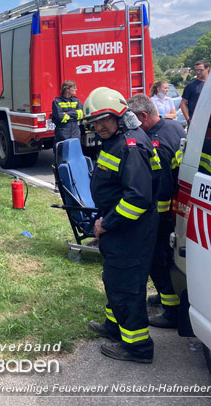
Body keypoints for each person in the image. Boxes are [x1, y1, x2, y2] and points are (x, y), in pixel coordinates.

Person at [84, 87, 159, 364]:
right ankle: (114, 328)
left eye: (105, 119)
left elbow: (138, 198)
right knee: (115, 281)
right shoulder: (118, 139)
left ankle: (137, 347)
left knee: (127, 288)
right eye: (95, 121)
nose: (99, 126)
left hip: (129, 230)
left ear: (119, 115)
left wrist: (108, 223)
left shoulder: (130, 146)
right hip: (120, 229)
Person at [127, 93, 186, 329]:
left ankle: (171, 310)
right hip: (177, 210)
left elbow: (160, 190)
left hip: (162, 216)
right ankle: (165, 296)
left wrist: (149, 218)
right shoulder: (173, 126)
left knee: (157, 261)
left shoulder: (155, 144)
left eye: (133, 120)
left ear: (143, 116)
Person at [52, 80, 83, 145]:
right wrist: (73, 115)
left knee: (75, 150)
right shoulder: (57, 102)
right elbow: (61, 117)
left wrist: (67, 114)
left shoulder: (76, 100)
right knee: (62, 151)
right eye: (74, 88)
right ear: (67, 89)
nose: (76, 89)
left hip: (75, 131)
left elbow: (80, 115)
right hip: (63, 131)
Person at [180, 60, 210, 125]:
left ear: (207, 68)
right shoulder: (191, 86)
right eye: (196, 70)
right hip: (195, 121)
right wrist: (188, 120)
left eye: (200, 70)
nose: (198, 72)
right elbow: (183, 103)